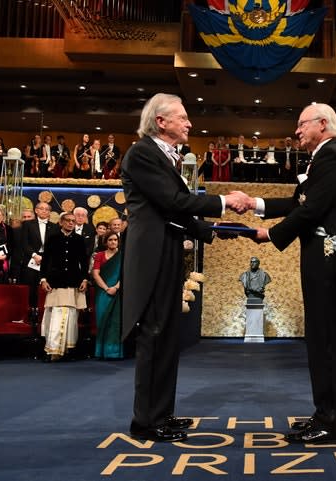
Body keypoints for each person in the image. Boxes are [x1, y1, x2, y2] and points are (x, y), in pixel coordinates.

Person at [120, 93, 249, 443]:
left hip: (166, 252)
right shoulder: (143, 153)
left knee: (167, 337)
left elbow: (175, 212)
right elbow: (174, 201)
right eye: (182, 117)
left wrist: (213, 231)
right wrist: (224, 202)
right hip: (152, 257)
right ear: (161, 122)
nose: (189, 123)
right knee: (155, 336)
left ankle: (160, 414)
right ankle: (145, 421)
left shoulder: (163, 157)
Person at [248, 103, 336, 444]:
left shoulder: (332, 157)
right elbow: (298, 201)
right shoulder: (324, 158)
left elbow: (311, 209)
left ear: (323, 124)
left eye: (302, 124)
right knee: (319, 341)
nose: (297, 130)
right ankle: (323, 414)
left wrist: (271, 234)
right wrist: (254, 203)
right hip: (321, 262)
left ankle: (330, 422)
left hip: (329, 263)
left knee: (326, 343)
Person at [39, 212, 89, 361]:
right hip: (56, 282)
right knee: (54, 315)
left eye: (73, 221)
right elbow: (45, 260)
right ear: (61, 222)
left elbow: (84, 262)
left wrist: (85, 279)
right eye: (67, 221)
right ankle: (53, 350)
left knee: (71, 317)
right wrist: (43, 279)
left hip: (74, 282)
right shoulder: (53, 238)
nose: (70, 223)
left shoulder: (79, 240)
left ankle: (67, 349)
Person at [92, 231, 123, 359]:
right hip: (102, 293)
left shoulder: (122, 256)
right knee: (102, 320)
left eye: (115, 240)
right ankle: (101, 352)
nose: (113, 242)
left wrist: (115, 288)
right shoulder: (99, 255)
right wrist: (106, 288)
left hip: (118, 292)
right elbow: (95, 274)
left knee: (115, 322)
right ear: (105, 242)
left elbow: (125, 274)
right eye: (110, 240)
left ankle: (114, 352)